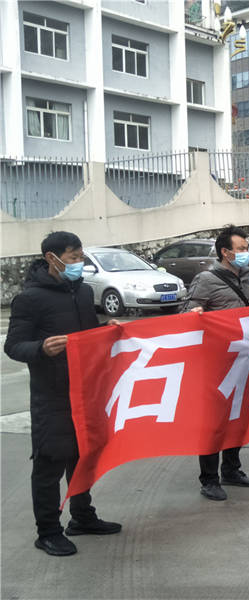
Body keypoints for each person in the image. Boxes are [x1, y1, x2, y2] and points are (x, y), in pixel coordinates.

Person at [4, 231, 122, 556]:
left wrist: (106, 330)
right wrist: (41, 348)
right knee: (50, 464)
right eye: (73, 257)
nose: (79, 263)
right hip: (52, 395)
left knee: (83, 457)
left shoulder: (82, 291)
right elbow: (13, 346)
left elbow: (87, 335)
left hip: (86, 390)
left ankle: (82, 517)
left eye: (81, 257)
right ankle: (47, 531)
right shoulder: (29, 299)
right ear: (51, 258)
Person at [183, 225, 249, 501]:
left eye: (246, 248)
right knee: (213, 422)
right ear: (225, 252)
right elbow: (186, 313)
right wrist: (194, 313)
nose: (246, 253)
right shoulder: (206, 279)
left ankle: (231, 469)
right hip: (216, 364)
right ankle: (209, 479)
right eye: (241, 249)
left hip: (243, 358)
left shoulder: (247, 276)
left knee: (238, 418)